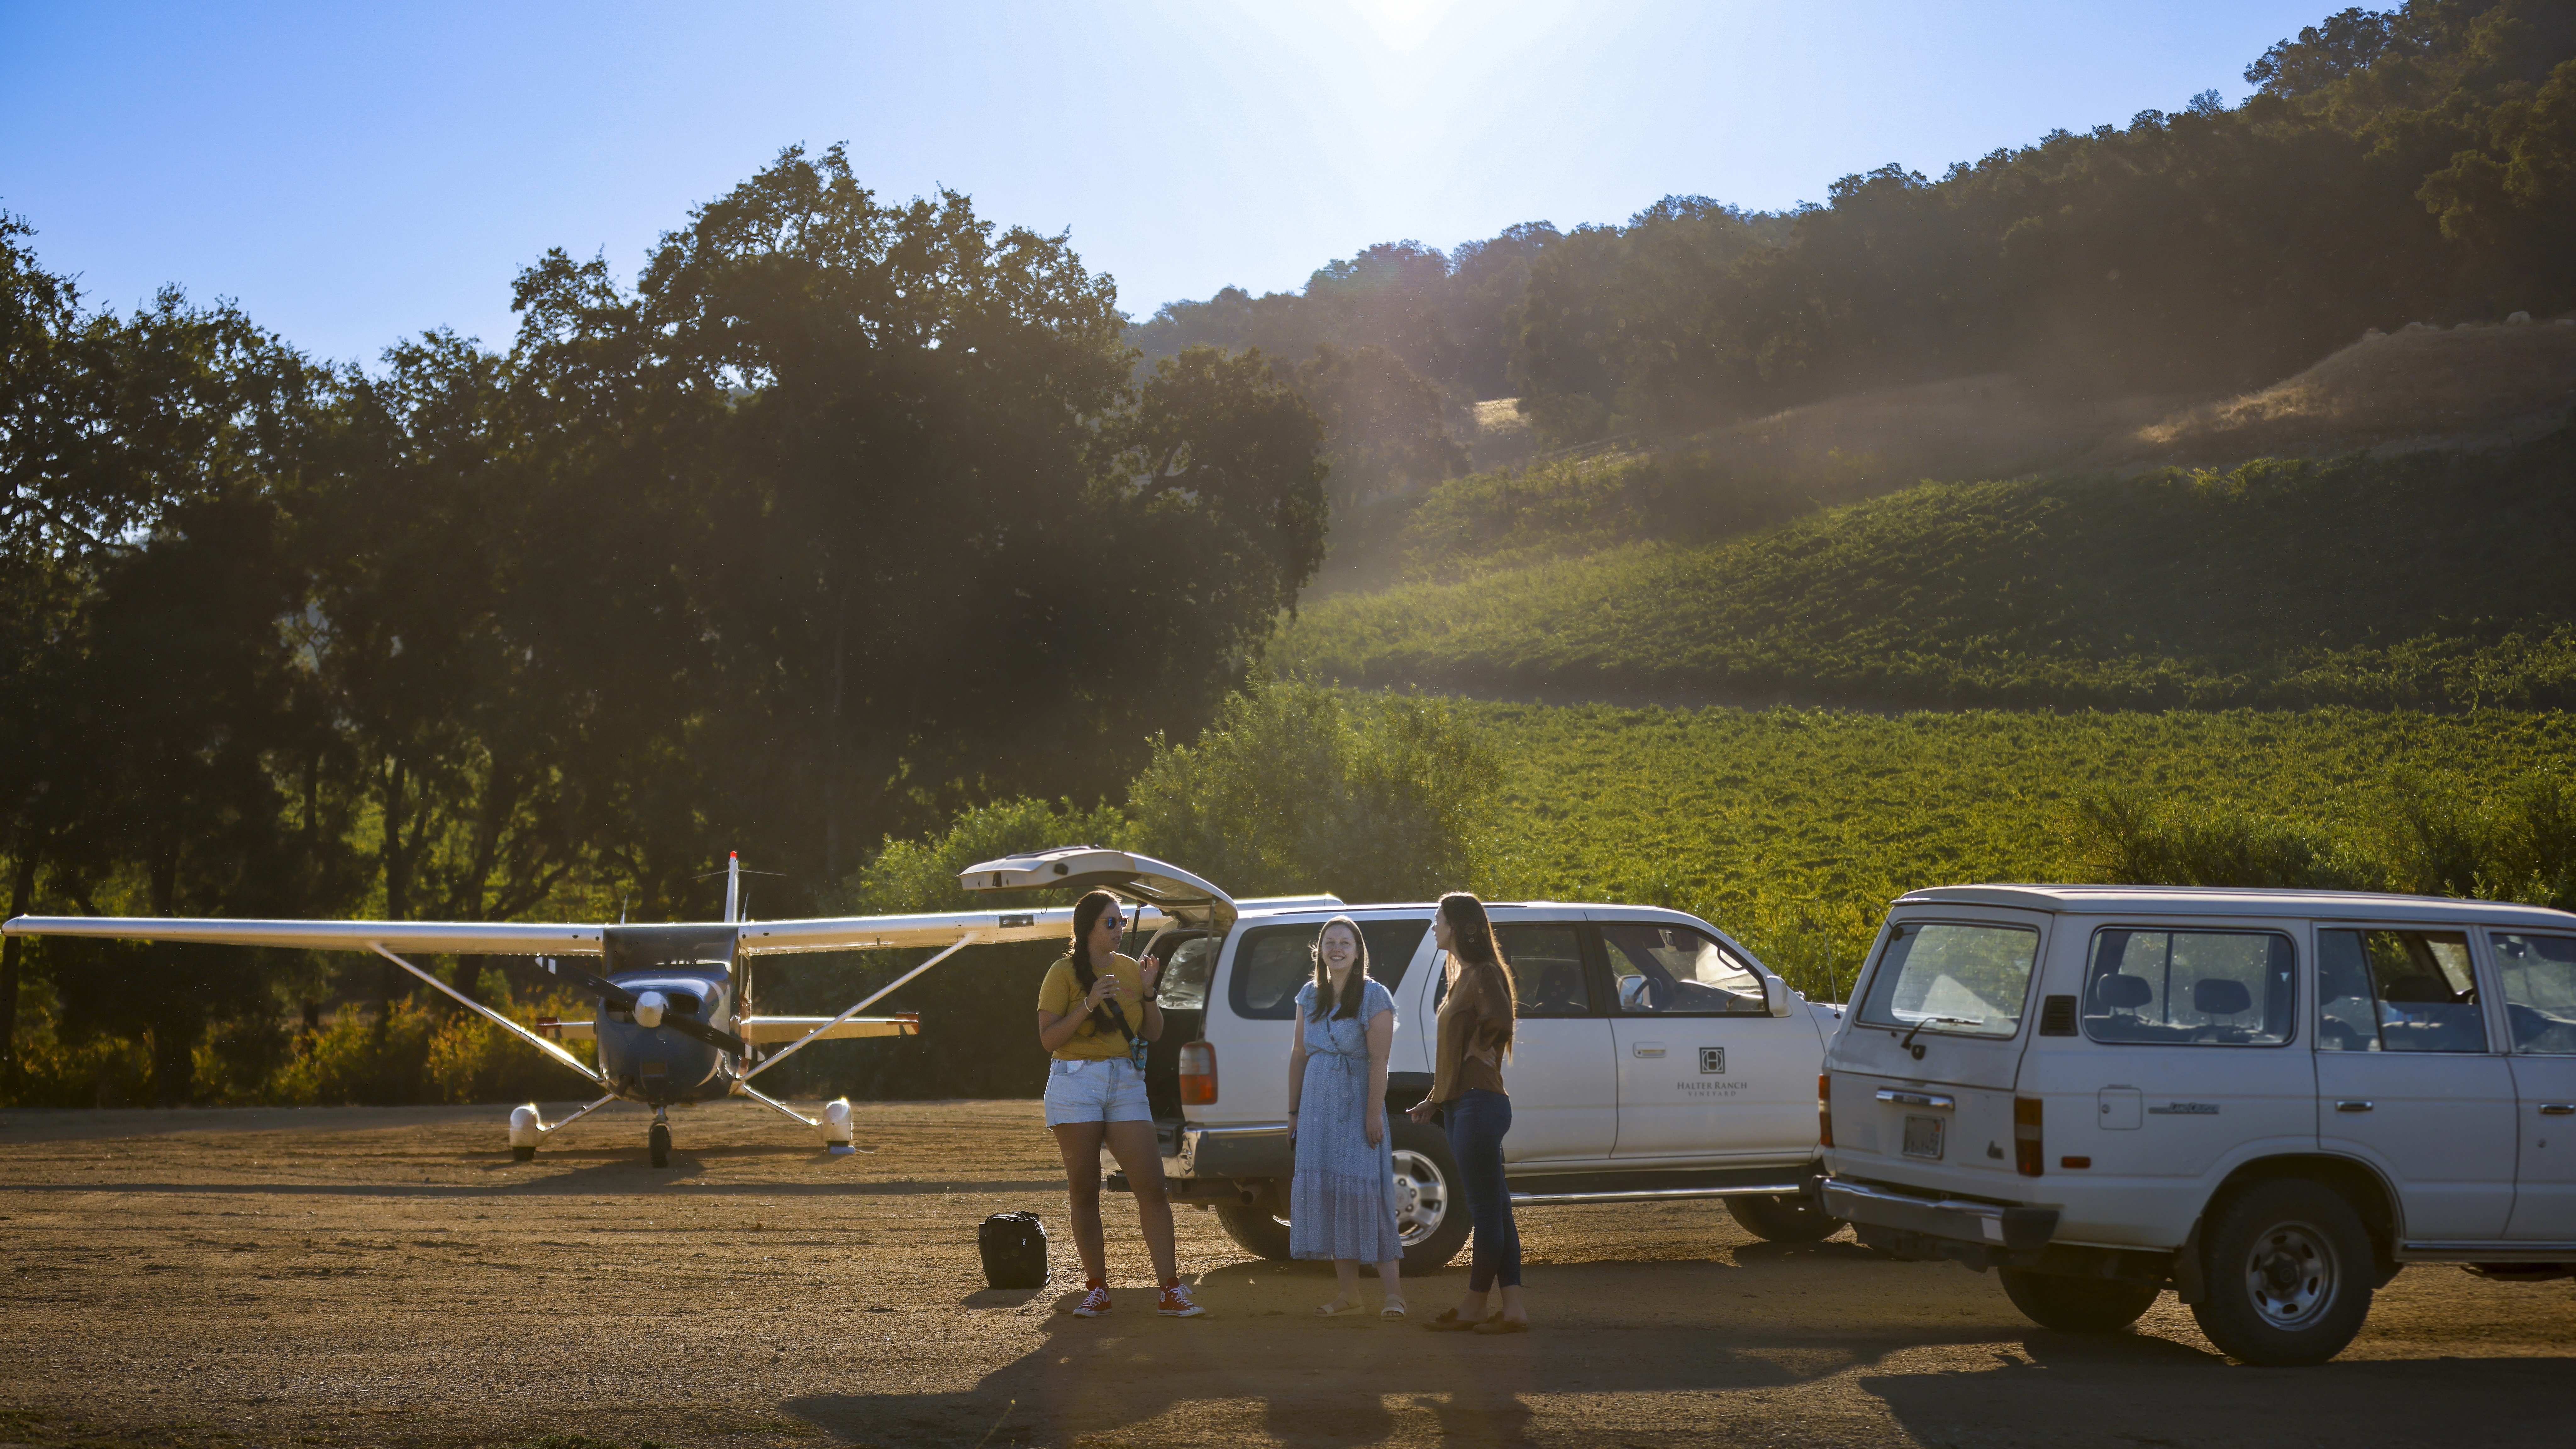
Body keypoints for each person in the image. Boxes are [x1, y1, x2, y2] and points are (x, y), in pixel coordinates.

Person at [1035, 889, 1204, 1319]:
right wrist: (1089, 1003)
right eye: (1111, 923)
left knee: (1152, 1187)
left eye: (1122, 923)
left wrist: (1148, 993)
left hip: (1124, 1082)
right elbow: (1049, 1039)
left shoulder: (1131, 970)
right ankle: (1097, 1290)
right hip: (1075, 1083)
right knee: (1085, 1188)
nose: (1119, 930)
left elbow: (1154, 1033)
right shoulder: (1061, 973)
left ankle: (1170, 1290)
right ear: (1088, 928)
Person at [1407, 891, 1527, 1333]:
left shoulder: (1482, 974)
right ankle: (1513, 1309)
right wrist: (1436, 1100)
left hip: (1479, 1106)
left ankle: (1475, 1305)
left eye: (1438, 919)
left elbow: (1500, 1018)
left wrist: (1484, 1048)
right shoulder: (1463, 976)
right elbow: (1453, 1054)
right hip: (1469, 1104)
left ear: (1458, 925)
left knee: (1485, 1212)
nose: (1434, 926)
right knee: (1498, 1209)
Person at [1286, 915, 1407, 1318]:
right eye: (1330, 942)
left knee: (1365, 1195)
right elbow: (1298, 1056)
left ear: (1358, 953)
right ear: (1319, 950)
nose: (1336, 949)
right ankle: (1349, 1295)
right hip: (1317, 1108)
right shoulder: (1309, 994)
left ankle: (1394, 1296)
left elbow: (1380, 1060)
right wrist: (1293, 1114)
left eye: (1345, 943)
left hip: (1357, 1104)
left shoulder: (1375, 996)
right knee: (1331, 1194)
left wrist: (1373, 1114)